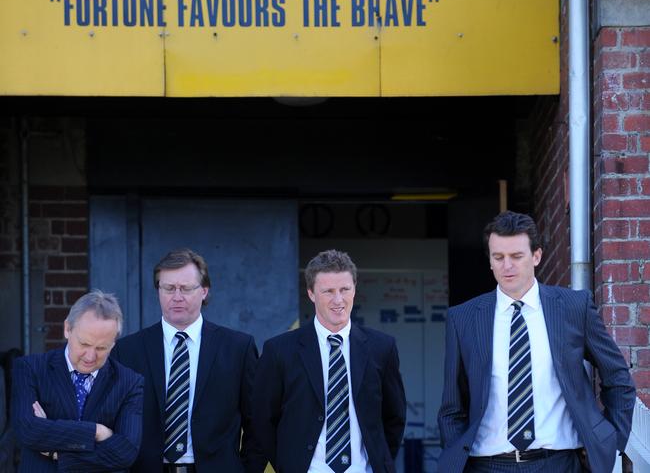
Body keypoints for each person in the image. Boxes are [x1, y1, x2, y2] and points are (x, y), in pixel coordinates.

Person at [438, 211, 636, 473]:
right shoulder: (463, 319)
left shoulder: (573, 308)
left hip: (559, 464)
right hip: (487, 465)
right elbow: (452, 407)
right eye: (498, 257)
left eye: (516, 256)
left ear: (536, 256)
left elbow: (618, 377)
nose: (507, 266)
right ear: (490, 261)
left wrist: (610, 440)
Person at [253, 249, 407, 473]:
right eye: (328, 291)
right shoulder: (279, 350)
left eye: (345, 289)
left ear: (354, 289)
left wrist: (379, 461)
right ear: (311, 293)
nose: (338, 300)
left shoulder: (381, 348)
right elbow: (263, 420)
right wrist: (288, 464)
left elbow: (394, 417)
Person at [111, 248, 264, 473]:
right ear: (158, 291)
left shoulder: (237, 348)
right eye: (169, 288)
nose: (177, 297)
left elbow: (258, 423)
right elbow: (114, 419)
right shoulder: (128, 350)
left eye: (186, 288)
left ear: (204, 291)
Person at [11, 290, 144, 472]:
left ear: (113, 343)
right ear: (67, 329)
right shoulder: (30, 369)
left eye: (101, 348)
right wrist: (96, 431)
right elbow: (27, 430)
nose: (90, 356)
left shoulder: (130, 382)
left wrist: (56, 453)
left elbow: (126, 452)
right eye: (84, 344)